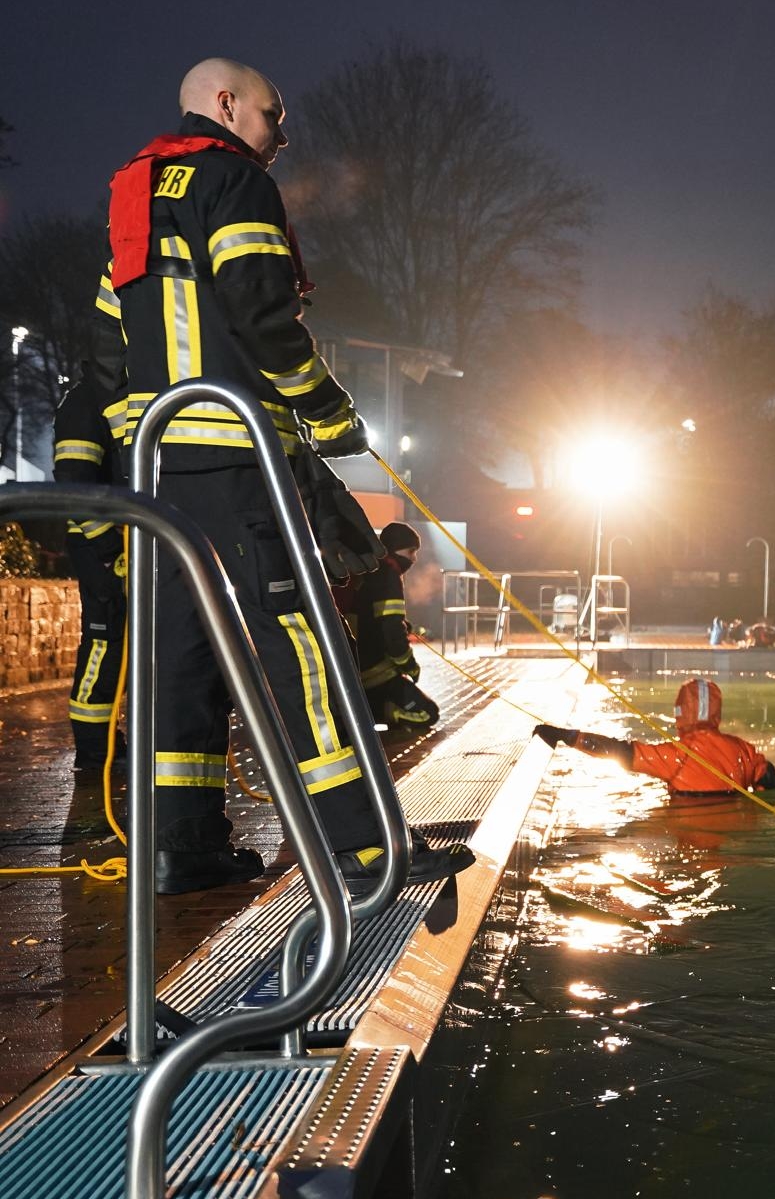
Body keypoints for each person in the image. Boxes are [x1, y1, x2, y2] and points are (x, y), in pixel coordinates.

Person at [87, 57, 472, 894]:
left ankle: (180, 850)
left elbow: (111, 337)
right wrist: (329, 412)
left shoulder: (132, 190)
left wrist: (133, 447)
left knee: (180, 655)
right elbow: (263, 315)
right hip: (234, 452)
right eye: (273, 113)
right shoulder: (235, 182)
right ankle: (367, 848)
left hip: (158, 468)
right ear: (226, 105)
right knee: (302, 642)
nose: (282, 134)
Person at [52, 373, 125, 772]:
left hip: (123, 540)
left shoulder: (113, 392)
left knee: (123, 641)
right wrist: (108, 545)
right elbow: (73, 479)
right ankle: (95, 746)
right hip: (98, 542)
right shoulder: (86, 400)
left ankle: (109, 739)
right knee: (104, 637)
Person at [534, 677, 775, 795]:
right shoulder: (742, 750)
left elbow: (616, 751)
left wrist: (568, 736)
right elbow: (768, 778)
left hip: (686, 826)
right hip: (733, 832)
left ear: (681, 712)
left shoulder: (674, 757)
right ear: (717, 711)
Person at [342, 521, 439, 731]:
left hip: (355, 667)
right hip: (375, 670)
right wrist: (410, 666)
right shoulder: (388, 576)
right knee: (428, 713)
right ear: (395, 549)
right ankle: (380, 711)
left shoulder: (368, 571)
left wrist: (409, 627)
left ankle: (367, 711)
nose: (414, 558)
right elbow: (391, 629)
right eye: (411, 551)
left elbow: (377, 618)